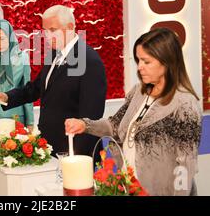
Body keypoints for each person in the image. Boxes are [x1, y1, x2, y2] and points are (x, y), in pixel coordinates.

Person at [65, 28, 202, 196]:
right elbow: (115, 125)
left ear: (167, 62)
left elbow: (186, 163)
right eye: (138, 60)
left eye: (146, 61)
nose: (139, 67)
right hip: (128, 184)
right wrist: (84, 125)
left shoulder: (185, 105)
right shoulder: (138, 92)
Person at [0, 5, 107, 156]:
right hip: (49, 145)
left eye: (52, 30)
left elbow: (91, 117)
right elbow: (37, 87)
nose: (47, 36)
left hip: (73, 151)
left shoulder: (89, 60)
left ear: (70, 27)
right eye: (45, 31)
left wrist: (76, 157)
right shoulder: (53, 54)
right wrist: (8, 96)